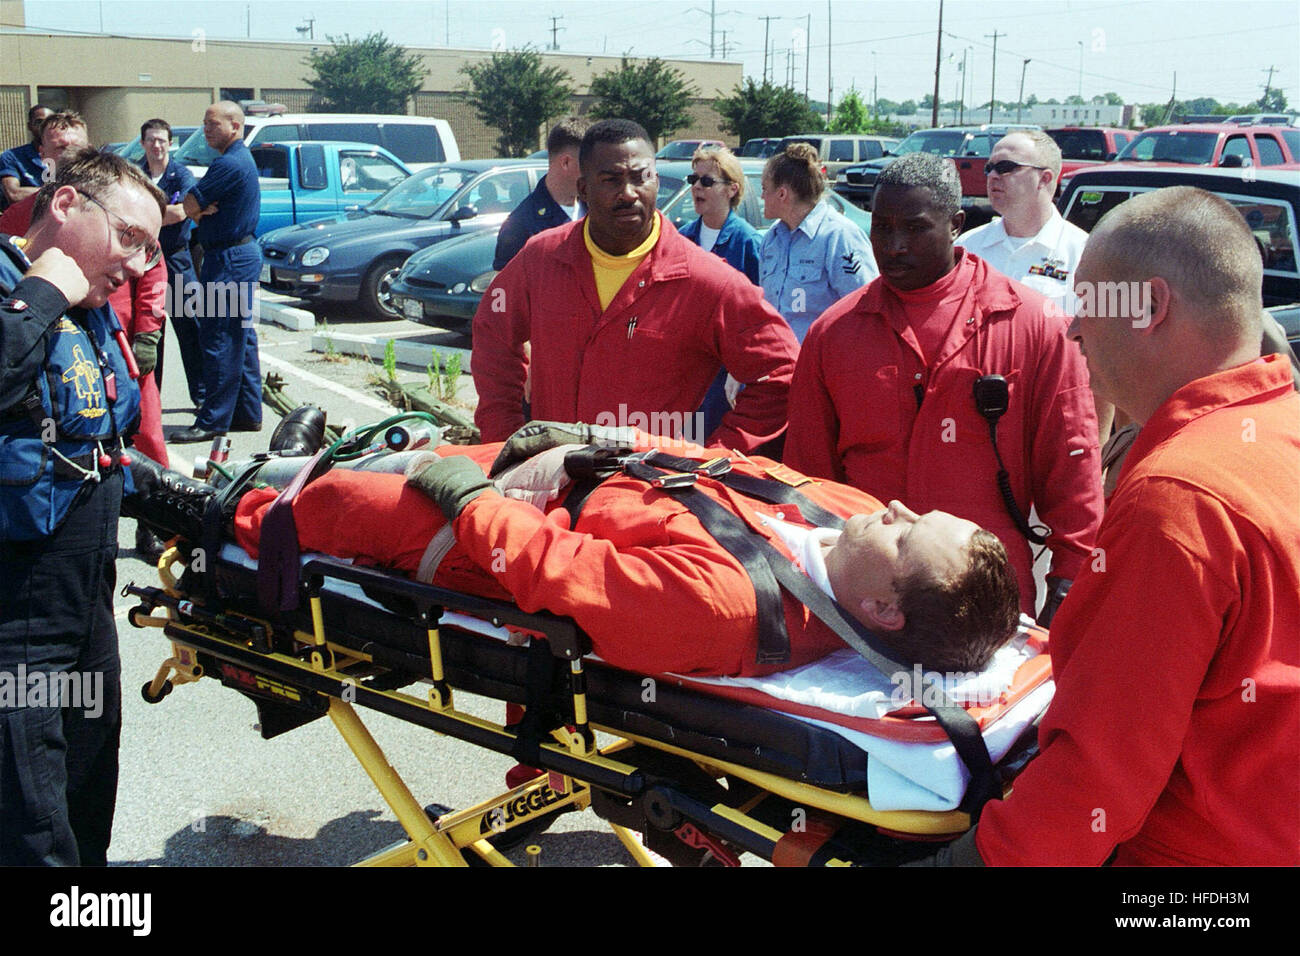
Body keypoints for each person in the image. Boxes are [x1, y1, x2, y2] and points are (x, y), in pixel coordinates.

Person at [942, 186, 1300, 866]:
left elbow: (1097, 780)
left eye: (1087, 305)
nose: (1073, 330)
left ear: (1151, 307)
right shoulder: (1280, 433)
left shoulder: (1179, 500)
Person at [129, 426, 1022, 679]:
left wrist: (469, 495)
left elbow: (549, 569)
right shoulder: (850, 513)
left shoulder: (721, 609)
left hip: (503, 534)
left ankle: (221, 508)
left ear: (882, 613)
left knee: (350, 502)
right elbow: (722, 464)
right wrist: (592, 440)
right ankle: (295, 463)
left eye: (910, 531)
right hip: (578, 472)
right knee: (416, 441)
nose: (898, 507)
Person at [785, 153, 1103, 622]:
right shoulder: (834, 333)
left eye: (914, 229)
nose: (893, 246)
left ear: (955, 224)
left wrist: (1070, 579)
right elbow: (805, 479)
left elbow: (1073, 465)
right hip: (865, 599)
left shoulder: (1033, 325)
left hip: (987, 596)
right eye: (882, 228)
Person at [0, 149, 163, 865]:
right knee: (32, 829)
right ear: (66, 205)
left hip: (86, 608)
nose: (136, 263)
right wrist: (38, 294)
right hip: (18, 621)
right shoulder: (27, 289)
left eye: (152, 248)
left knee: (86, 796)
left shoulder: (94, 311)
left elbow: (103, 445)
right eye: (129, 237)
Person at [472, 119, 799, 454]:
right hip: (551, 484)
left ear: (656, 181)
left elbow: (782, 373)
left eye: (640, 177)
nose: (628, 193)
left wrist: (713, 458)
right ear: (583, 189)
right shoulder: (541, 260)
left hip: (645, 494)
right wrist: (505, 439)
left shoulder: (706, 281)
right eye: (611, 180)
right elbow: (493, 335)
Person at [171, 101, 262, 443]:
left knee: (219, 338)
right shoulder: (236, 160)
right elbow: (192, 206)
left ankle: (212, 421)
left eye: (212, 124)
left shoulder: (228, 163)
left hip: (228, 258)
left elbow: (188, 206)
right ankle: (246, 412)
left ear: (235, 127)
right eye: (205, 123)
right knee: (240, 336)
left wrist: (198, 208)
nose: (206, 129)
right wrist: (197, 207)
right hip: (235, 255)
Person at [679, 144, 764, 438]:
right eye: (693, 180)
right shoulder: (682, 239)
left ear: (732, 189)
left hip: (726, 374)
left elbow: (759, 315)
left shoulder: (748, 242)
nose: (696, 188)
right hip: (687, 368)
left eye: (707, 181)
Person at [758, 142, 877, 342]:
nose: (761, 196)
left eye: (764, 189)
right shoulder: (771, 239)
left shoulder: (839, 236)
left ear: (782, 194)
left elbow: (867, 308)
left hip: (825, 364)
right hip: (780, 364)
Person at [139, 118, 202, 406]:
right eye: (151, 140)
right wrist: (167, 212)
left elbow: (182, 213)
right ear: (142, 144)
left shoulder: (181, 174)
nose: (156, 145)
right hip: (142, 263)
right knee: (149, 332)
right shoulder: (134, 174)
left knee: (190, 329)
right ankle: (151, 401)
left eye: (162, 140)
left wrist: (143, 214)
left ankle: (200, 398)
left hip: (177, 260)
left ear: (170, 143)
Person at [492, 119, 587, 271]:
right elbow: (507, 290)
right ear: (566, 163)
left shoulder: (597, 210)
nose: (595, 172)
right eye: (588, 164)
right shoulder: (521, 225)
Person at [0, 111, 91, 236]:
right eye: (61, 148)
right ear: (42, 154)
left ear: (90, 149)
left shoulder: (115, 199)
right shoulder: (18, 216)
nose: (71, 154)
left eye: (77, 147)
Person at [0, 104, 52, 208]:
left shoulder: (68, 156)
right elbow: (14, 194)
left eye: (49, 122)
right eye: (39, 122)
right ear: (30, 126)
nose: (44, 126)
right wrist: (56, 191)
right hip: (25, 220)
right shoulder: (12, 157)